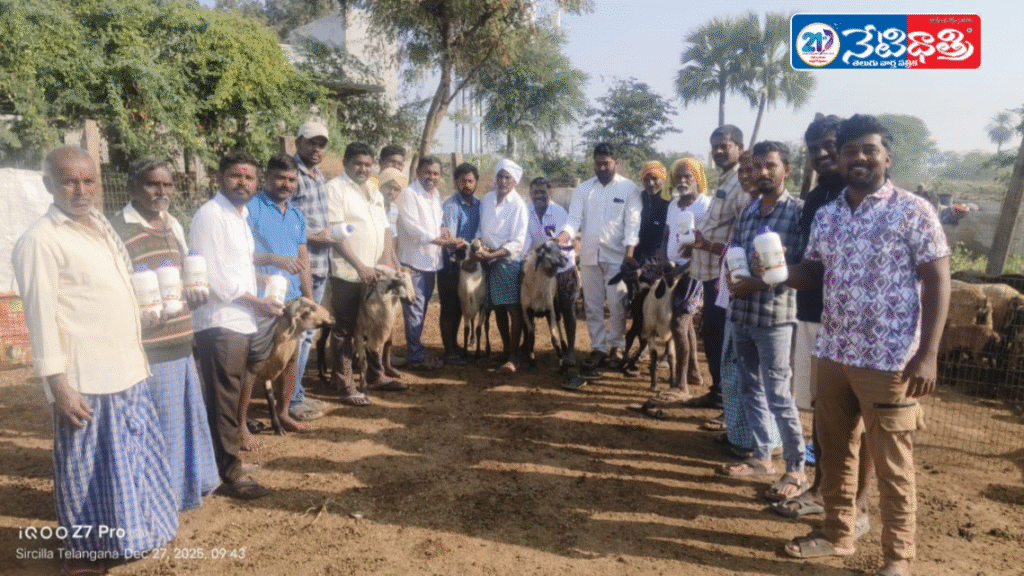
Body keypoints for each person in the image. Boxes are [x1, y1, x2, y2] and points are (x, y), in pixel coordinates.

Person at [784, 115, 951, 576]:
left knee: (892, 464)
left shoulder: (913, 210)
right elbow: (813, 273)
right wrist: (772, 275)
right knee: (835, 452)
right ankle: (837, 535)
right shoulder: (828, 214)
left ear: (886, 156)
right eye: (849, 150)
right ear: (837, 158)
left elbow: (937, 280)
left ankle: (897, 559)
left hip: (890, 360)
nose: (859, 157)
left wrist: (928, 353)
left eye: (868, 149)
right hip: (834, 352)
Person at [14, 147, 178, 574]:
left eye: (89, 181)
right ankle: (86, 556)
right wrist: (60, 386)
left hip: (127, 368)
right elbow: (42, 318)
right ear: (49, 184)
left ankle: (131, 535)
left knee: (129, 460)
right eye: (69, 181)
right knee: (87, 473)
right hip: (85, 380)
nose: (80, 190)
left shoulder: (100, 226)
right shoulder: (41, 240)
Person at [771, 116, 874, 533]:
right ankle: (820, 488)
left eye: (830, 145)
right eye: (815, 148)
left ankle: (859, 503)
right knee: (822, 411)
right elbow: (811, 265)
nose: (823, 154)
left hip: (859, 330)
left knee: (861, 419)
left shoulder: (869, 199)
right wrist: (771, 270)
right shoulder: (817, 200)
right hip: (813, 316)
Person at [109, 157, 220, 511]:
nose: (161, 192)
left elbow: (185, 276)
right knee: (161, 426)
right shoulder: (118, 230)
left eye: (167, 185)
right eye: (152, 184)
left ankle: (187, 487)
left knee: (185, 419)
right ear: (132, 188)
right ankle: (162, 497)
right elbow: (116, 290)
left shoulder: (172, 225)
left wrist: (194, 292)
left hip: (180, 339)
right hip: (150, 347)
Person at [718, 141, 807, 502]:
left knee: (779, 392)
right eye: (756, 167)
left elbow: (803, 265)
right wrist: (731, 278)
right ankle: (761, 456)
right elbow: (734, 253)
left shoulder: (798, 212)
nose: (762, 173)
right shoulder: (749, 212)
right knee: (749, 385)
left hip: (774, 317)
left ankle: (796, 465)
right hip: (742, 313)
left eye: (770, 166)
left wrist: (761, 279)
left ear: (786, 170)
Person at [191, 150, 282, 499]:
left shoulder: (239, 216)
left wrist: (262, 291)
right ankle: (228, 474)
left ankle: (224, 464)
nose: (243, 182)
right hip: (220, 322)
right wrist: (257, 302)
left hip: (239, 320)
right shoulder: (211, 216)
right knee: (223, 400)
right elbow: (213, 277)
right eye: (235, 176)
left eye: (248, 177)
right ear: (220, 178)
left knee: (226, 397)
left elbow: (237, 268)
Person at [240, 153, 316, 445]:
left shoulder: (296, 215)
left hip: (293, 299)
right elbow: (239, 255)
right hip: (261, 298)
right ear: (267, 179)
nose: (286, 184)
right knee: (255, 362)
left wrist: (309, 300)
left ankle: (284, 412)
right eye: (280, 178)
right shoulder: (251, 210)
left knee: (291, 358)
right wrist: (273, 259)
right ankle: (241, 424)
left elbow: (303, 261)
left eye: (292, 179)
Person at [714, 151, 782, 457]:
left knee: (765, 381)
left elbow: (780, 268)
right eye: (744, 171)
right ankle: (740, 436)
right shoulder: (748, 212)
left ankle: (763, 442)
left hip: (766, 311)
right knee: (736, 372)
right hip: (736, 303)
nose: (747, 175)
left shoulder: (783, 212)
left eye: (753, 169)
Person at [325, 142, 403, 406]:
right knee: (345, 329)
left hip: (376, 274)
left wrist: (385, 262)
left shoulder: (374, 190)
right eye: (358, 163)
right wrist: (359, 266)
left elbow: (385, 231)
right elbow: (335, 235)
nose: (363, 169)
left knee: (376, 324)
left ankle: (375, 375)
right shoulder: (334, 189)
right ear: (345, 163)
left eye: (368, 164)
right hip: (347, 272)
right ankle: (346, 384)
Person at [557, 143, 641, 370]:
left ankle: (617, 346)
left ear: (616, 163)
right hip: (589, 256)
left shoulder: (629, 189)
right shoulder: (584, 189)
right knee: (592, 306)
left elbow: (632, 224)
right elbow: (574, 220)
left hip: (617, 258)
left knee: (617, 304)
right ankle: (599, 348)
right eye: (598, 163)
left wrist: (629, 253)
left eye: (606, 163)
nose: (602, 167)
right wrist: (564, 236)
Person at [689, 125, 747, 409]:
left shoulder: (741, 182)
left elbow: (742, 234)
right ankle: (719, 393)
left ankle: (725, 399)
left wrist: (707, 245)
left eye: (725, 146)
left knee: (719, 336)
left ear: (740, 148)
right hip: (709, 272)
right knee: (711, 334)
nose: (719, 151)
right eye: (715, 147)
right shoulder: (725, 181)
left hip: (723, 276)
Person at [650, 158, 711, 405]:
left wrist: (681, 271)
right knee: (683, 323)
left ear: (698, 179)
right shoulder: (674, 205)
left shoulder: (705, 205)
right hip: (673, 268)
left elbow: (705, 244)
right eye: (679, 177)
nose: (683, 181)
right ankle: (694, 373)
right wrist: (664, 258)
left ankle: (681, 384)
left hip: (694, 271)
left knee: (679, 322)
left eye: (688, 176)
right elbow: (666, 235)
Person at [288, 119, 333, 423]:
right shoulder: (291, 175)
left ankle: (296, 392)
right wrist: (319, 237)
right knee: (299, 334)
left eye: (321, 144)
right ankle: (291, 398)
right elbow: (287, 225)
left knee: (308, 335)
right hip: (299, 267)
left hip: (319, 264)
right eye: (311, 143)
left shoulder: (317, 176)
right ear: (298, 143)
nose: (316, 149)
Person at [397, 156, 453, 370]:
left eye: (436, 173)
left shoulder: (435, 195)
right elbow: (413, 229)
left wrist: (443, 230)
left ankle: (415, 351)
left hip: (432, 261)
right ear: (419, 172)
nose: (432, 177)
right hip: (413, 262)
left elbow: (435, 222)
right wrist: (440, 239)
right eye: (428, 172)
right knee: (414, 310)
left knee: (421, 308)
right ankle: (415, 356)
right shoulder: (409, 194)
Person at [525, 176, 581, 381]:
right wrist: (524, 257)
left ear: (550, 194)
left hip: (561, 263)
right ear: (530, 194)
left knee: (566, 308)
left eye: (543, 192)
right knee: (528, 303)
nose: (539, 196)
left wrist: (555, 259)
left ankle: (571, 349)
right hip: (540, 265)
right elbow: (527, 239)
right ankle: (527, 347)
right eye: (535, 192)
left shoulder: (558, 212)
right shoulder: (527, 210)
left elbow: (561, 242)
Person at [476, 159, 529, 373]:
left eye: (508, 177)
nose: (503, 181)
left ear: (515, 181)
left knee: (512, 309)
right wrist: (481, 247)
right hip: (487, 260)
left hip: (507, 263)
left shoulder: (518, 205)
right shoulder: (487, 199)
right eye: (500, 176)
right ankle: (506, 349)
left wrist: (493, 255)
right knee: (497, 308)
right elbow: (481, 229)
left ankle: (514, 357)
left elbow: (517, 241)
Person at [438, 163, 482, 364]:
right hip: (452, 264)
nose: (467, 184)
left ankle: (456, 347)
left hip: (472, 265)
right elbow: (450, 242)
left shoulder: (480, 205)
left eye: (470, 180)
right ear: (457, 182)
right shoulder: (451, 206)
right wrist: (459, 263)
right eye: (463, 181)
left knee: (463, 306)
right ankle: (449, 351)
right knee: (450, 307)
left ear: (476, 183)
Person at [632, 160, 669, 266]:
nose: (650, 183)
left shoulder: (670, 203)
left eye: (655, 178)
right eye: (646, 179)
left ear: (663, 178)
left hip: (659, 260)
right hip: (637, 257)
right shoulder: (637, 199)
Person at [378, 144, 406, 235]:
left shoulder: (403, 192)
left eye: (399, 164)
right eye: (392, 161)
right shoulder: (369, 186)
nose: (396, 166)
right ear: (380, 162)